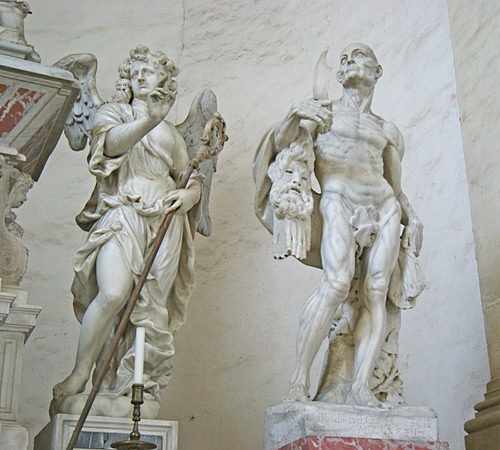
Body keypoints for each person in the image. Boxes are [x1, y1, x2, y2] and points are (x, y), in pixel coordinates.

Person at [254, 43, 423, 408]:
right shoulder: (322, 114)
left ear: (377, 71)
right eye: (343, 58)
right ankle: (298, 382)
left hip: (384, 209)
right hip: (338, 200)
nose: (348, 61)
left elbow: (395, 186)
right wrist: (293, 114)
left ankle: (361, 387)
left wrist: (412, 218)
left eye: (358, 55)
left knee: (376, 292)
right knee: (335, 284)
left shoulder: (388, 130)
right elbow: (283, 144)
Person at [52, 45, 203, 408]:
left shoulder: (171, 132)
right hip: (122, 214)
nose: (139, 77)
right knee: (114, 293)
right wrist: (149, 119)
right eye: (134, 73)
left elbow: (190, 176)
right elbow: (110, 146)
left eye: (147, 72)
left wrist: (189, 196)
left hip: (165, 223)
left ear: (163, 80)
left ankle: (129, 388)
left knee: (151, 311)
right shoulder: (112, 113)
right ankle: (81, 373)